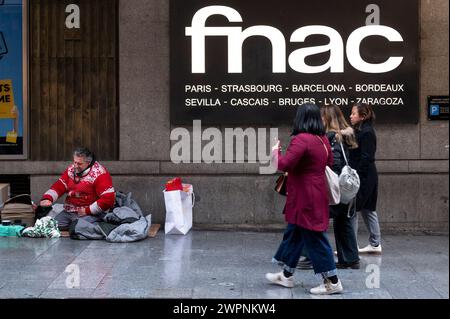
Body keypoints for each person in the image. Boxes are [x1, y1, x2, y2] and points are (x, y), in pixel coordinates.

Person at [265, 103, 344, 295]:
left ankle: (332, 281)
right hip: (315, 193)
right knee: (295, 233)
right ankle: (286, 274)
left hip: (304, 197)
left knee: (314, 238)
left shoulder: (301, 139)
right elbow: (329, 162)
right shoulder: (323, 139)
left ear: (300, 118)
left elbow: (284, 164)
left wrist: (275, 150)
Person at [321, 104, 360, 268]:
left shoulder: (332, 137)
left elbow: (335, 163)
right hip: (347, 185)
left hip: (335, 185)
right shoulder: (348, 135)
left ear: (328, 118)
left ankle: (311, 255)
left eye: (322, 116)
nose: (320, 120)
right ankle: (350, 259)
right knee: (343, 221)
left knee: (319, 219)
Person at [40, 147, 116, 230]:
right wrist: (48, 198)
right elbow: (60, 185)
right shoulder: (71, 169)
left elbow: (109, 199)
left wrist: (88, 210)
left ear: (88, 162)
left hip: (90, 213)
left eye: (79, 164)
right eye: (74, 162)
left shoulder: (100, 173)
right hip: (70, 211)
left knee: (78, 228)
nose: (75, 166)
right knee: (50, 227)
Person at [349, 103, 382, 254]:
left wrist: (356, 176)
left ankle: (351, 245)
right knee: (368, 209)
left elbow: (366, 157)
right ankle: (375, 243)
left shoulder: (367, 132)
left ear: (362, 116)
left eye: (354, 113)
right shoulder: (361, 130)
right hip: (366, 175)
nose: (351, 116)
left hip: (364, 176)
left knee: (354, 209)